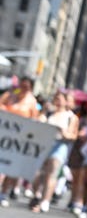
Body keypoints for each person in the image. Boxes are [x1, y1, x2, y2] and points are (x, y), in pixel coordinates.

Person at [29, 91, 79, 213]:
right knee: (36, 173)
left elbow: (73, 135)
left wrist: (62, 132)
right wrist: (44, 112)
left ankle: (45, 201)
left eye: (60, 98)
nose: (57, 100)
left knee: (51, 175)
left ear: (65, 101)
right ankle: (37, 195)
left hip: (59, 146)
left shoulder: (71, 117)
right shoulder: (50, 112)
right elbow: (37, 123)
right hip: (43, 145)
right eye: (55, 97)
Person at [0, 76, 40, 207]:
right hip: (4, 136)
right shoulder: (11, 95)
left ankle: (4, 192)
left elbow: (35, 121)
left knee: (10, 168)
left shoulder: (32, 101)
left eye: (26, 86)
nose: (23, 88)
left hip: (18, 141)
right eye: (22, 85)